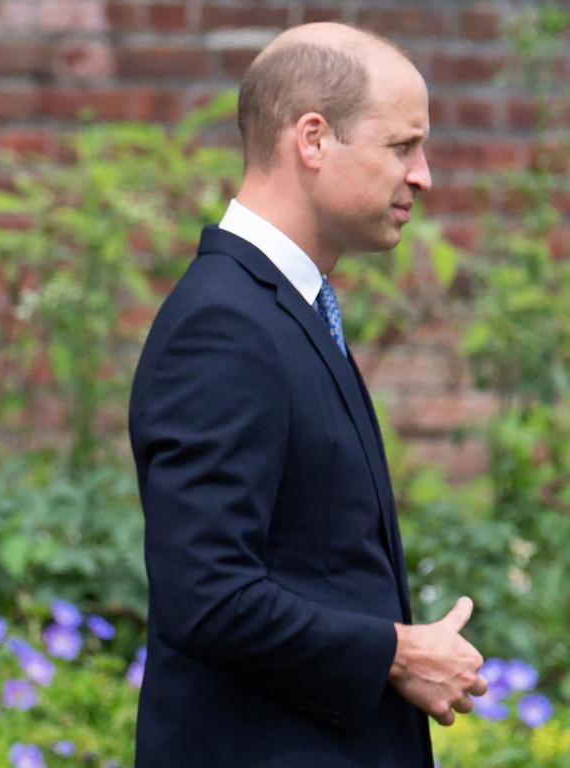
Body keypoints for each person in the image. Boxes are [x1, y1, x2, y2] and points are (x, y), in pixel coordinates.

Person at [128, 22, 486, 768]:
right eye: (401, 146)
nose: (423, 176)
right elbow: (208, 595)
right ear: (313, 139)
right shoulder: (225, 325)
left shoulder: (282, 308)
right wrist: (394, 653)